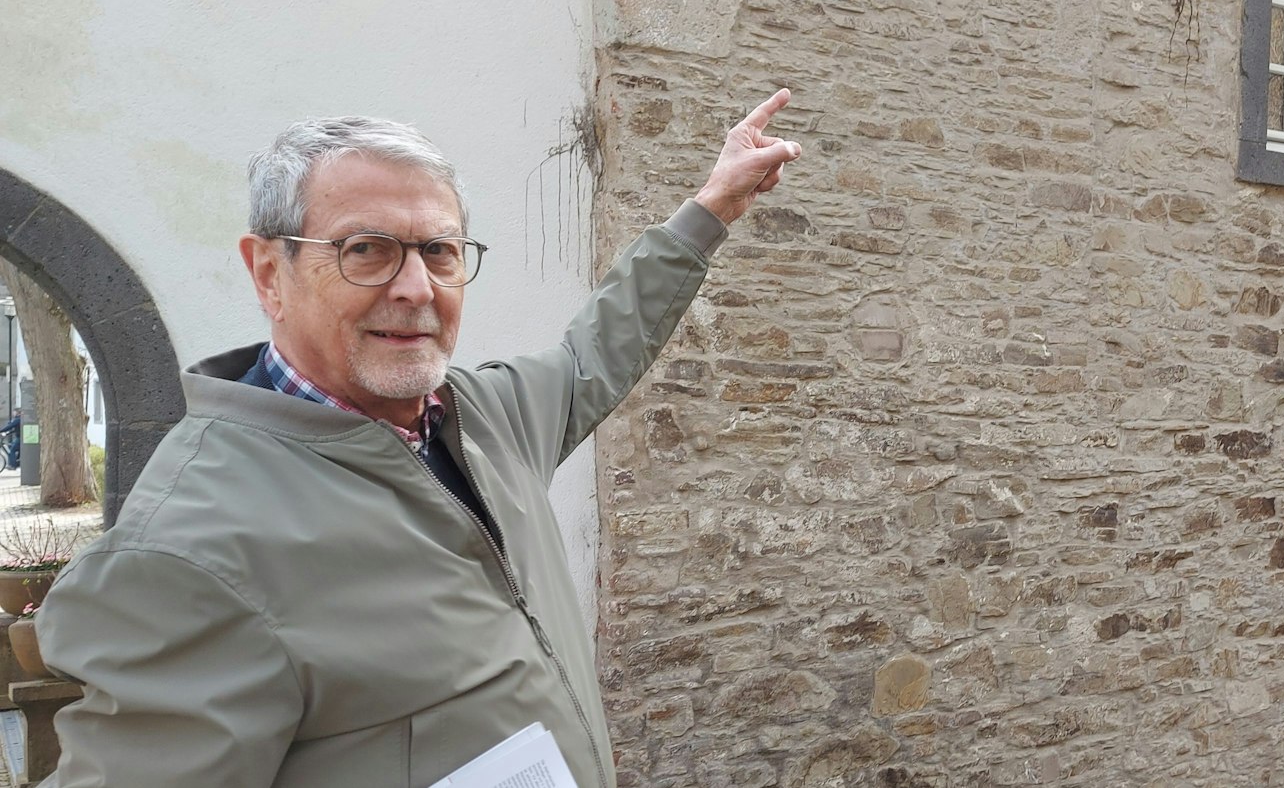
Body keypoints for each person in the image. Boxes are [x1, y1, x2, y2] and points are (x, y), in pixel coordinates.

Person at [37, 91, 802, 787]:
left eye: (438, 250)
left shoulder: (485, 415)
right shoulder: (189, 549)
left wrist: (711, 208)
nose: (415, 288)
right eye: (365, 249)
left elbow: (593, 353)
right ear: (269, 272)